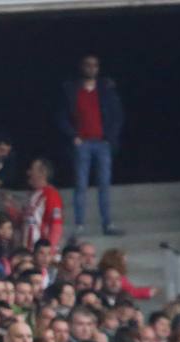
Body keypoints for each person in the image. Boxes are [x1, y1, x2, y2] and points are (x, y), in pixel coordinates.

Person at [57, 55, 123, 236]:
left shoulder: (106, 89)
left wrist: (110, 137)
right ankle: (79, 225)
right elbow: (62, 117)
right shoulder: (72, 90)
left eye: (94, 65)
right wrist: (73, 135)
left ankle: (107, 224)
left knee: (104, 184)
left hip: (102, 143)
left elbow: (117, 115)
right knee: (81, 184)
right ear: (81, 67)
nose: (91, 68)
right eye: (88, 65)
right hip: (82, 143)